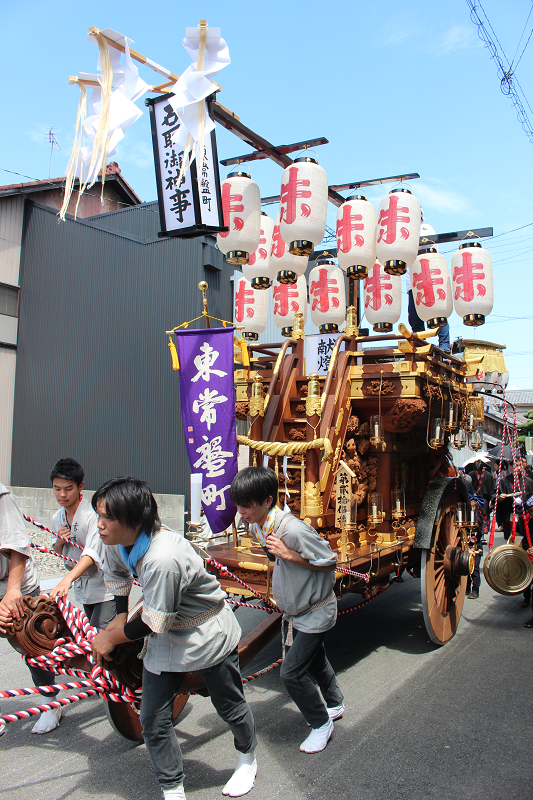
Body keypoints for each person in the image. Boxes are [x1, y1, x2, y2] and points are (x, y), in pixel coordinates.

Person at [91, 477, 257, 800]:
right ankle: (172, 787)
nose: (99, 525)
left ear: (135, 521)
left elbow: (154, 623)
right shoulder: (115, 540)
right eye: (98, 515)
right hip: (166, 636)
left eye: (107, 517)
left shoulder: (162, 557)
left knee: (229, 704)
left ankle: (247, 758)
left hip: (204, 631)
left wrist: (113, 638)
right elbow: (118, 577)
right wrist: (120, 618)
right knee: (152, 718)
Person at [230, 467, 344, 755]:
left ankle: (320, 724)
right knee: (315, 660)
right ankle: (335, 704)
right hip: (297, 611)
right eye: (238, 504)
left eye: (247, 505)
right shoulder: (258, 525)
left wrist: (288, 554)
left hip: (315, 610)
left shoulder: (292, 529)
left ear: (268, 501)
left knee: (291, 673)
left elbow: (330, 562)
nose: (241, 511)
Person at [0, 482, 60, 735]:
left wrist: (13, 592)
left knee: (32, 647)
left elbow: (17, 543)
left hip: (15, 582)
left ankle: (50, 702)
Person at [48, 458, 116, 630]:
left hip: (104, 585)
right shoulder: (58, 517)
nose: (62, 494)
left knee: (98, 637)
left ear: (80, 486)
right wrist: (59, 541)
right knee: (91, 634)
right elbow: (56, 550)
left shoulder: (93, 515)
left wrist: (66, 580)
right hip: (82, 586)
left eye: (68, 489)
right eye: (57, 489)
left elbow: (91, 553)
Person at [406, 218, 451, 353]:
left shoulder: (426, 228)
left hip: (429, 277)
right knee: (414, 316)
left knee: (437, 312)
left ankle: (444, 344)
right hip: (413, 280)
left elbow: (432, 246)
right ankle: (420, 345)